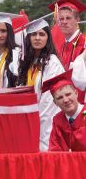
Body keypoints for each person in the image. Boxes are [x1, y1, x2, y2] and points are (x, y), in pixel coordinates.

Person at [17, 18, 64, 151]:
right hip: (28, 118)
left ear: (48, 38)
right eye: (34, 34)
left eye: (42, 34)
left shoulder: (52, 62)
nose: (37, 38)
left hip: (46, 118)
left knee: (44, 149)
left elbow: (49, 98)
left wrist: (35, 118)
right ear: (29, 38)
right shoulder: (26, 63)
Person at [42, 70, 86, 152]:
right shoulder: (57, 121)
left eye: (68, 94)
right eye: (60, 98)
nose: (65, 100)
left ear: (76, 93)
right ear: (55, 103)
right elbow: (54, 151)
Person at [48, 0, 86, 70]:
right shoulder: (60, 47)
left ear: (77, 20)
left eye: (68, 18)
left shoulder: (84, 43)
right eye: (61, 19)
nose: (64, 22)